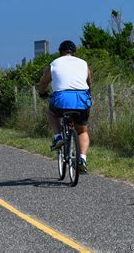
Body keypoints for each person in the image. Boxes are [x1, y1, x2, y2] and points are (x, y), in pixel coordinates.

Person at [38, 40, 92, 173]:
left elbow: (44, 82)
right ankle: (82, 159)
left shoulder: (55, 63)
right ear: (74, 52)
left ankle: (58, 137)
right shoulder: (83, 63)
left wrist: (42, 93)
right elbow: (89, 81)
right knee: (82, 131)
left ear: (60, 52)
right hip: (81, 99)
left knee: (52, 113)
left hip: (61, 99)